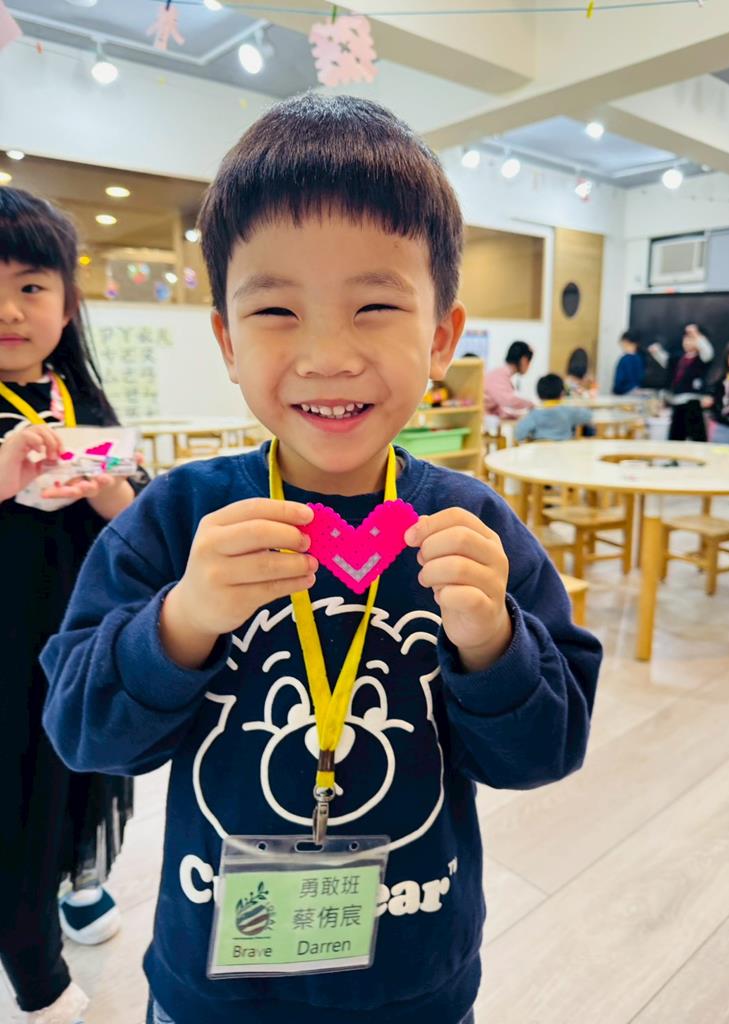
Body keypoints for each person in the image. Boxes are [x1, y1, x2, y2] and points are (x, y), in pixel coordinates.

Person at [41, 94, 602, 1024]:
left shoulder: (474, 528)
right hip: (212, 984)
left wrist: (494, 644)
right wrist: (180, 623)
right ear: (226, 339)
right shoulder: (176, 519)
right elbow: (85, 733)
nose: (327, 355)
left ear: (440, 336)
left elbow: (545, 752)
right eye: (276, 309)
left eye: (374, 306)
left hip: (415, 981)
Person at [0, 188, 146, 1024]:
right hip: (5, 648)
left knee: (86, 765)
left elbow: (134, 516)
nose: (9, 311)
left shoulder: (77, 397)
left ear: (66, 303)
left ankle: (77, 881)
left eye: (31, 286)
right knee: (17, 787)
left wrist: (108, 491)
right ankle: (34, 968)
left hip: (83, 632)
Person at [649, 323, 714, 442]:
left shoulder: (702, 358)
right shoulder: (679, 358)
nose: (688, 342)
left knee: (697, 435)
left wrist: (696, 334)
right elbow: (667, 362)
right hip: (677, 400)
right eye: (686, 339)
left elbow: (707, 351)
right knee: (676, 434)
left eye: (692, 339)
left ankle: (699, 453)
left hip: (693, 401)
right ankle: (674, 453)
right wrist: (657, 352)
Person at [515, 374, 593, 442]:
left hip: (540, 452)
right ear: (562, 393)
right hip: (564, 451)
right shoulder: (568, 411)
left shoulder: (534, 414)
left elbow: (519, 434)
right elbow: (588, 416)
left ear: (539, 395)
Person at [483, 339, 535, 418]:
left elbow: (498, 407)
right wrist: (530, 404)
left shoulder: (500, 374)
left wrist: (514, 416)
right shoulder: (499, 375)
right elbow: (509, 401)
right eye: (529, 361)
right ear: (524, 360)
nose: (529, 365)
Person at [611, 329, 644, 395]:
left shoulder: (625, 360)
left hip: (623, 394)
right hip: (635, 393)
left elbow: (618, 383)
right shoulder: (639, 359)